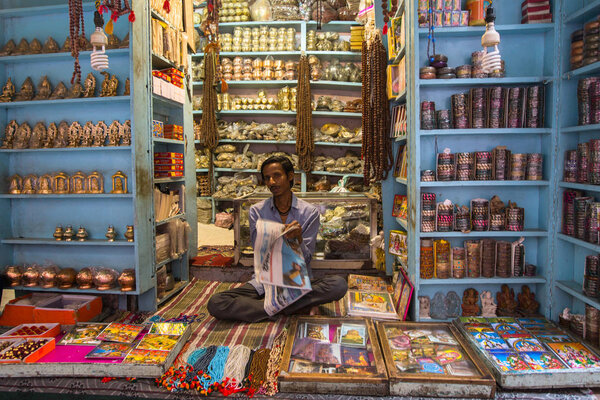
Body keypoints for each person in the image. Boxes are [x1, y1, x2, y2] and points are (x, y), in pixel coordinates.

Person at [207, 155, 348, 322]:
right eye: (267, 178)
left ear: (290, 176)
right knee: (216, 303)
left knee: (338, 285)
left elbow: (308, 258)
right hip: (265, 282)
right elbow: (258, 253)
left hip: (297, 281)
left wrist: (299, 240)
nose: (272, 182)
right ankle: (290, 307)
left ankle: (271, 307)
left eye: (277, 176)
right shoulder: (257, 211)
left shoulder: (309, 212)